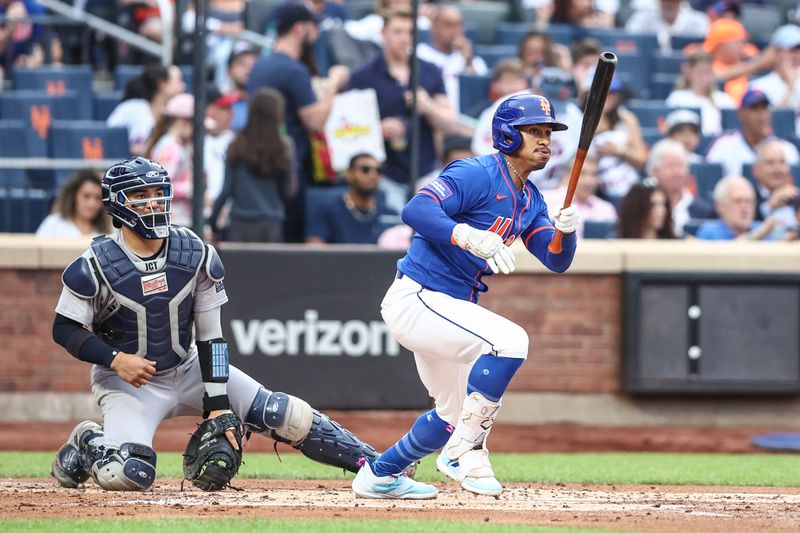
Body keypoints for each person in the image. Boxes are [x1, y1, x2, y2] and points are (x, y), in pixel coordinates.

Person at [50, 157, 382, 492]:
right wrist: (116, 360)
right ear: (116, 204)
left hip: (188, 365)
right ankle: (90, 439)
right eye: (140, 195)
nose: (152, 202)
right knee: (127, 474)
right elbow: (63, 329)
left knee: (285, 413)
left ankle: (378, 465)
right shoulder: (93, 265)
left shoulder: (195, 252)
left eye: (157, 192)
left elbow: (212, 337)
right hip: (130, 383)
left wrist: (217, 402)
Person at [350, 94, 579, 499]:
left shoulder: (531, 198)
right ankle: (465, 453)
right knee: (511, 341)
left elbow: (555, 259)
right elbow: (416, 209)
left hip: (450, 307)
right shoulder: (477, 173)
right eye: (534, 132)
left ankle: (381, 475)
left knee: (450, 416)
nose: (545, 140)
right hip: (417, 296)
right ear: (508, 135)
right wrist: (466, 234)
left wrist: (566, 229)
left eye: (547, 132)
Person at [247, 3, 350, 241]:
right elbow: (315, 121)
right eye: (313, 27)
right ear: (299, 28)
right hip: (291, 170)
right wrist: (334, 83)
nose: (316, 35)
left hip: (263, 167)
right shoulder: (294, 71)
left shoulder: (260, 65)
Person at [347, 7, 454, 188]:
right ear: (383, 34)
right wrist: (377, 129)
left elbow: (449, 122)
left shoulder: (430, 71)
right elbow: (347, 127)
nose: (405, 38)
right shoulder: (363, 76)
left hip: (425, 171)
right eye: (397, 32)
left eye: (410, 32)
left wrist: (428, 106)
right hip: (381, 173)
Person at [208, 88, 295, 243]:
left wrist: (213, 222)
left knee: (240, 268)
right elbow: (287, 189)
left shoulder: (236, 144)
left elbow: (227, 189)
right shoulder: (284, 146)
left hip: (240, 223)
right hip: (271, 222)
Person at [305, 153, 401, 244]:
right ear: (349, 174)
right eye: (365, 169)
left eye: (379, 170)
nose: (373, 175)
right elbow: (314, 249)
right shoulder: (327, 210)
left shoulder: (390, 214)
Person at [706, 89, 800, 178]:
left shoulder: (786, 149)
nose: (761, 115)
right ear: (741, 113)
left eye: (765, 108)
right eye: (755, 109)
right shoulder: (723, 146)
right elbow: (710, 181)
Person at [415, 5, 488, 114]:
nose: (455, 30)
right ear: (433, 28)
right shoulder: (420, 53)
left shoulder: (473, 61)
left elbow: (479, 95)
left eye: (459, 25)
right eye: (448, 25)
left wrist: (468, 60)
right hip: (431, 117)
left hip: (466, 117)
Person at [107, 65, 187, 155]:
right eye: (178, 80)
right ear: (162, 84)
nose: (183, 86)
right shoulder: (133, 108)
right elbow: (109, 138)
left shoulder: (172, 115)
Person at [591, 77, 649, 199]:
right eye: (604, 92)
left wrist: (618, 150)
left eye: (612, 93)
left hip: (628, 184)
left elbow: (641, 160)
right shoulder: (582, 118)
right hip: (597, 189)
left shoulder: (627, 119)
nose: (608, 97)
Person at [646, 139, 715, 236]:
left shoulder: (705, 212)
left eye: (680, 166)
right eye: (670, 166)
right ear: (654, 172)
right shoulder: (644, 208)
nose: (677, 173)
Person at [146, 93, 195, 227]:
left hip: (181, 217)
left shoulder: (179, 146)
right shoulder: (170, 147)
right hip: (173, 219)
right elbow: (161, 186)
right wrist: (190, 188)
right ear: (183, 121)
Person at [541, 155, 617, 239]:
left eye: (594, 175)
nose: (589, 181)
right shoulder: (544, 201)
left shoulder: (606, 209)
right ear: (566, 175)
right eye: (582, 174)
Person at [665, 50, 735, 136]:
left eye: (708, 73)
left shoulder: (724, 99)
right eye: (700, 73)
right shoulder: (677, 98)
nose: (704, 78)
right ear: (688, 72)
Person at [696, 175, 778, 240]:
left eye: (749, 201)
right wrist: (755, 236)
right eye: (738, 201)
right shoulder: (710, 232)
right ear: (720, 206)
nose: (745, 207)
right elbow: (727, 256)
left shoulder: (761, 228)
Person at [36, 170, 110, 238]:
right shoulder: (53, 223)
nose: (92, 204)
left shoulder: (109, 230)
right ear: (73, 196)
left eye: (98, 198)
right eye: (86, 196)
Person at [751, 139, 799, 236]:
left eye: (782, 162)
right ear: (756, 170)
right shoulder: (748, 196)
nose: (777, 168)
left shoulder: (797, 198)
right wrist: (768, 207)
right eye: (770, 163)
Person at [750, 24, 800, 111]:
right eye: (793, 50)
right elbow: (773, 122)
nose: (797, 56)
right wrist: (790, 88)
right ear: (776, 52)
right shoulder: (759, 86)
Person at [204, 86, 238, 211]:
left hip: (228, 212)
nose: (231, 113)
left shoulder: (236, 141)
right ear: (208, 109)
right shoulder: (192, 141)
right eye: (224, 108)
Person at [625, 0, 709, 52]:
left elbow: (704, 51)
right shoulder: (642, 19)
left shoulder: (698, 21)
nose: (669, 4)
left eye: (673, 0)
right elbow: (628, 42)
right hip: (647, 70)